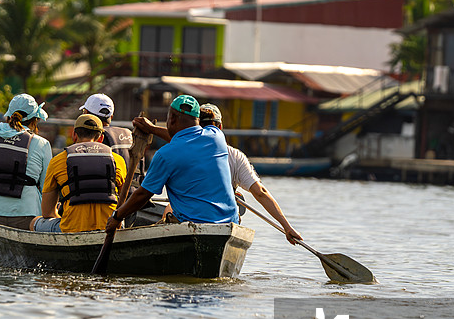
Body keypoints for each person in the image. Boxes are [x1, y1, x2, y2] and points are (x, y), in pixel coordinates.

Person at [131, 102, 302, 244]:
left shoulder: (184, 148)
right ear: (220, 127)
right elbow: (260, 192)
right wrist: (287, 227)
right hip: (225, 222)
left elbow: (180, 140)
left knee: (169, 208)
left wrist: (153, 129)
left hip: (193, 219)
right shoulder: (235, 155)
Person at [105, 95, 238, 233]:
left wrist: (117, 216)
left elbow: (142, 195)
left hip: (192, 225)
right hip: (229, 222)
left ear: (172, 118)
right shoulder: (216, 137)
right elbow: (186, 138)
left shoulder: (165, 155)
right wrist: (152, 129)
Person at [33, 114, 127, 233]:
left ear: (74, 135)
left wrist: (65, 218)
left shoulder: (57, 161)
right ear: (101, 139)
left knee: (34, 222)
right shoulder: (118, 160)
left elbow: (47, 212)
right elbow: (123, 202)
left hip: (72, 229)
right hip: (109, 227)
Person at [0, 93, 53, 230]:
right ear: (35, 119)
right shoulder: (42, 143)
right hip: (26, 215)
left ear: (9, 115)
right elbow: (47, 185)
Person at [79, 93, 133, 169]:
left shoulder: (94, 136)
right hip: (134, 180)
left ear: (86, 113)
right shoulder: (129, 134)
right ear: (111, 117)